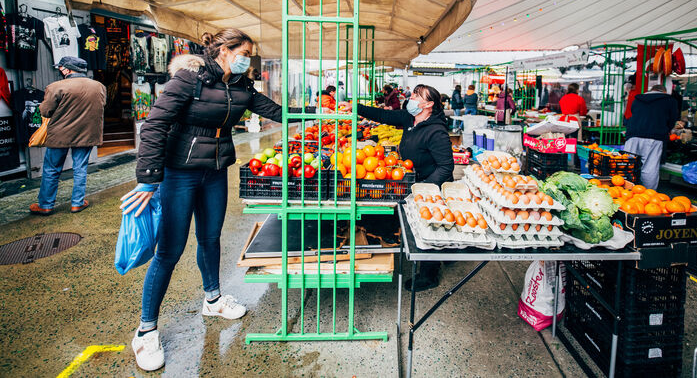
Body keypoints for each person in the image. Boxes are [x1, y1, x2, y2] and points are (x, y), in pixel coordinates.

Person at [120, 29, 314, 372]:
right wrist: (148, 179)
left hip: (215, 171)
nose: (248, 60)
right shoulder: (188, 79)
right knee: (169, 250)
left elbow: (278, 112)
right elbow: (154, 125)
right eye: (244, 53)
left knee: (210, 239)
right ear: (224, 50)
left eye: (251, 55)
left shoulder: (240, 85)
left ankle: (213, 299)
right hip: (179, 173)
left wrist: (323, 112)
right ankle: (145, 331)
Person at [341, 85, 453, 290]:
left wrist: (423, 190)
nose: (412, 97)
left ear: (428, 104)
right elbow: (383, 115)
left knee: (427, 226)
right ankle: (446, 254)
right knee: (419, 226)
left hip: (430, 185)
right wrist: (355, 107)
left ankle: (429, 275)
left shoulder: (436, 131)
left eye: (417, 96)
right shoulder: (410, 119)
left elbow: (446, 167)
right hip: (413, 179)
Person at [29, 56, 106, 215]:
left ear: (68, 69)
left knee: (52, 169)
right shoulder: (99, 86)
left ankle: (45, 205)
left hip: (60, 134)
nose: (60, 70)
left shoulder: (56, 87)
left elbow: (45, 111)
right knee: (80, 167)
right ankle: (77, 203)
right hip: (86, 133)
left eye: (61, 68)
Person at [623, 84, 679, 189]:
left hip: (633, 135)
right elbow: (672, 121)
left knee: (628, 165)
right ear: (664, 92)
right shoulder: (670, 101)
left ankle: (625, 189)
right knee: (649, 167)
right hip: (654, 136)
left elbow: (632, 114)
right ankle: (648, 194)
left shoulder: (638, 99)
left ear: (651, 90)